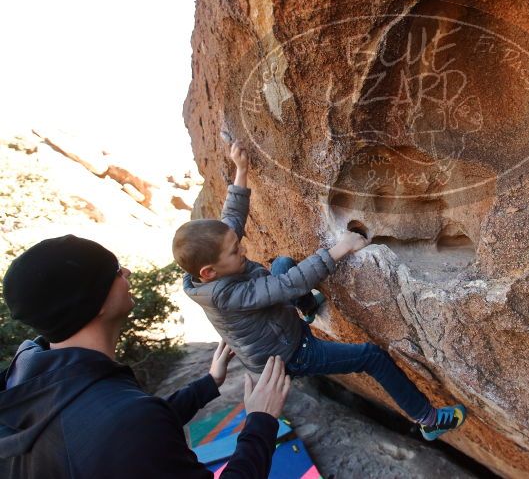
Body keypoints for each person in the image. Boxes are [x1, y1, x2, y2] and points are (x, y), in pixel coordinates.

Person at [172, 142, 466, 441]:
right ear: (209, 272)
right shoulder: (226, 297)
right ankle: (428, 420)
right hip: (290, 353)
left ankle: (309, 309)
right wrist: (341, 247)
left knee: (284, 263)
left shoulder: (210, 268)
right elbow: (287, 285)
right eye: (235, 252)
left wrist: (241, 169)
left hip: (277, 325)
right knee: (371, 356)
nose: (243, 249)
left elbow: (232, 219)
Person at [0, 235, 289, 478]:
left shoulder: (30, 371)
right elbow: (128, 429)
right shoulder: (123, 421)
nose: (127, 272)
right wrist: (261, 420)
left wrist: (209, 383)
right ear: (93, 301)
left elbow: (129, 432)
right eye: (115, 270)